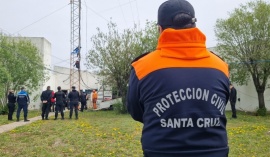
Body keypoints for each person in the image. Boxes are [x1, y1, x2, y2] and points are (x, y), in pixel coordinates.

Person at [126, 0, 230, 157]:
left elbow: (136, 111)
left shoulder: (142, 66)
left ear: (160, 29)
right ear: (194, 25)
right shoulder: (221, 66)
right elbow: (220, 105)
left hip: (161, 151)